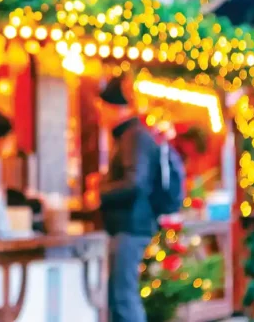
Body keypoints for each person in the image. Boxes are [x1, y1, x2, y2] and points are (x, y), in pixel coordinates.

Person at [97, 74, 158, 322]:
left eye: (102, 109)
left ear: (114, 108)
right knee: (121, 297)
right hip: (129, 226)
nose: (100, 116)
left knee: (123, 298)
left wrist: (100, 193)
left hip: (130, 227)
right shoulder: (129, 136)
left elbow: (135, 183)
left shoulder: (133, 137)